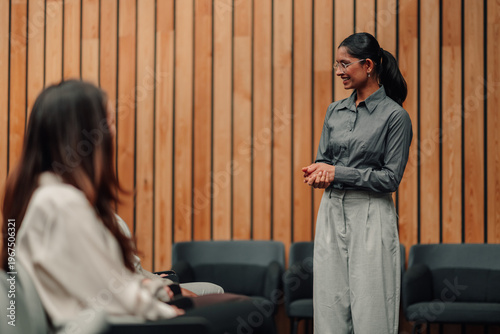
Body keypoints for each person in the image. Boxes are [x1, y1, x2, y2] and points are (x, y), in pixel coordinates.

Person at [1, 80, 275, 334]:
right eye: (107, 122)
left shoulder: (44, 196)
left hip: (114, 320)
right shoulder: (61, 203)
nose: (114, 131)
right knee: (257, 311)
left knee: (237, 304)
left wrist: (155, 292)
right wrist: (164, 309)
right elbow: (110, 296)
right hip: (116, 327)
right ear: (81, 136)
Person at [302, 32, 412, 334]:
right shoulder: (333, 111)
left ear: (368, 65)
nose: (339, 72)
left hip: (371, 214)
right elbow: (324, 159)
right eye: (336, 64)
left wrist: (337, 172)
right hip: (330, 211)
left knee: (372, 307)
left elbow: (390, 179)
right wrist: (319, 173)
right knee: (329, 306)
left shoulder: (395, 116)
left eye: (344, 64)